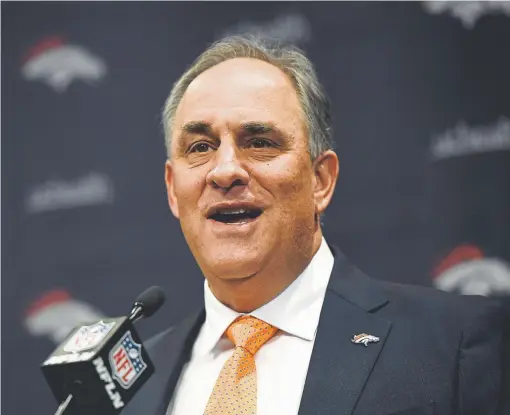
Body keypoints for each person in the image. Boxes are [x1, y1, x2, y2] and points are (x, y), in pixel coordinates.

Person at [124, 36, 509, 415]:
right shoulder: (127, 387)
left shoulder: (457, 344)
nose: (225, 171)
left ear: (321, 180)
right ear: (173, 190)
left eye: (259, 142)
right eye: (200, 148)